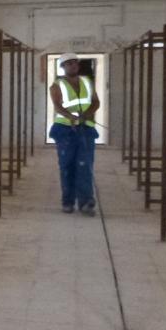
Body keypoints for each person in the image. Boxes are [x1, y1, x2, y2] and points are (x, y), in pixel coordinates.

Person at [49, 52, 100, 216]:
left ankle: (86, 202)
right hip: (65, 131)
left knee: (85, 165)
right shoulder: (57, 85)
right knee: (67, 166)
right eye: (69, 63)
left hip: (85, 129)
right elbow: (57, 106)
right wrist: (71, 117)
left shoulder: (87, 82)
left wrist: (86, 115)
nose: (73, 66)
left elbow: (95, 102)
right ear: (63, 67)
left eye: (75, 63)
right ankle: (68, 202)